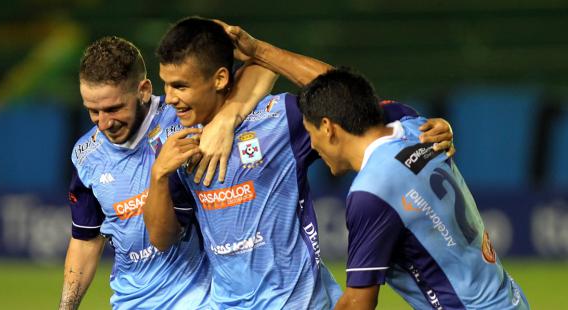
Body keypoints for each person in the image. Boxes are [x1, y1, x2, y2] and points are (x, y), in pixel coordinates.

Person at [144, 17, 455, 309]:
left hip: (303, 301)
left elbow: (345, 98)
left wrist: (434, 128)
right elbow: (162, 239)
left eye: (180, 86)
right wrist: (159, 175)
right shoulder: (174, 138)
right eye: (166, 84)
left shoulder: (279, 119)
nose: (169, 98)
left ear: (220, 79)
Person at [222, 23, 529, 309]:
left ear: (328, 128)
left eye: (311, 131)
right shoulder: (412, 124)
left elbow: (358, 302)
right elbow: (342, 92)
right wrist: (258, 51)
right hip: (508, 297)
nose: (311, 144)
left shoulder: (371, 192)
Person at [60, 36, 276, 309]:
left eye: (114, 109)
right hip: (129, 302)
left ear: (144, 90)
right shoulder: (86, 155)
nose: (104, 123)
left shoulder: (183, 114)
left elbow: (263, 68)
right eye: (93, 111)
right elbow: (86, 240)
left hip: (201, 298)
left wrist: (225, 119)